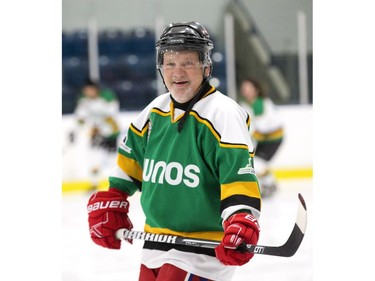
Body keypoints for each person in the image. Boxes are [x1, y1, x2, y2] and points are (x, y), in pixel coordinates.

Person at [87, 22, 262, 281]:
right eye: (170, 63)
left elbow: (236, 176)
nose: (177, 71)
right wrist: (114, 195)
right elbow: (130, 163)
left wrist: (241, 219)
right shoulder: (154, 110)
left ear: (206, 67)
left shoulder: (222, 113)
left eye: (187, 63)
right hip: (155, 242)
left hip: (202, 250)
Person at [239, 77, 284, 197]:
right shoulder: (246, 104)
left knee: (257, 163)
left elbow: (261, 126)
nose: (246, 90)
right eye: (244, 88)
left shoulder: (259, 103)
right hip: (264, 139)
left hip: (272, 139)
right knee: (255, 162)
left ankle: (270, 185)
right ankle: (270, 184)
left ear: (256, 90)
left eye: (249, 88)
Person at [74, 78, 120, 191]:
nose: (88, 92)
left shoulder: (107, 97)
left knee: (112, 159)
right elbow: (80, 118)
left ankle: (117, 183)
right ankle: (94, 182)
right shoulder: (83, 101)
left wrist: (100, 128)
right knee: (93, 157)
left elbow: (111, 116)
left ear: (96, 89)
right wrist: (85, 128)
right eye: (86, 90)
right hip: (95, 133)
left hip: (110, 133)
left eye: (90, 89)